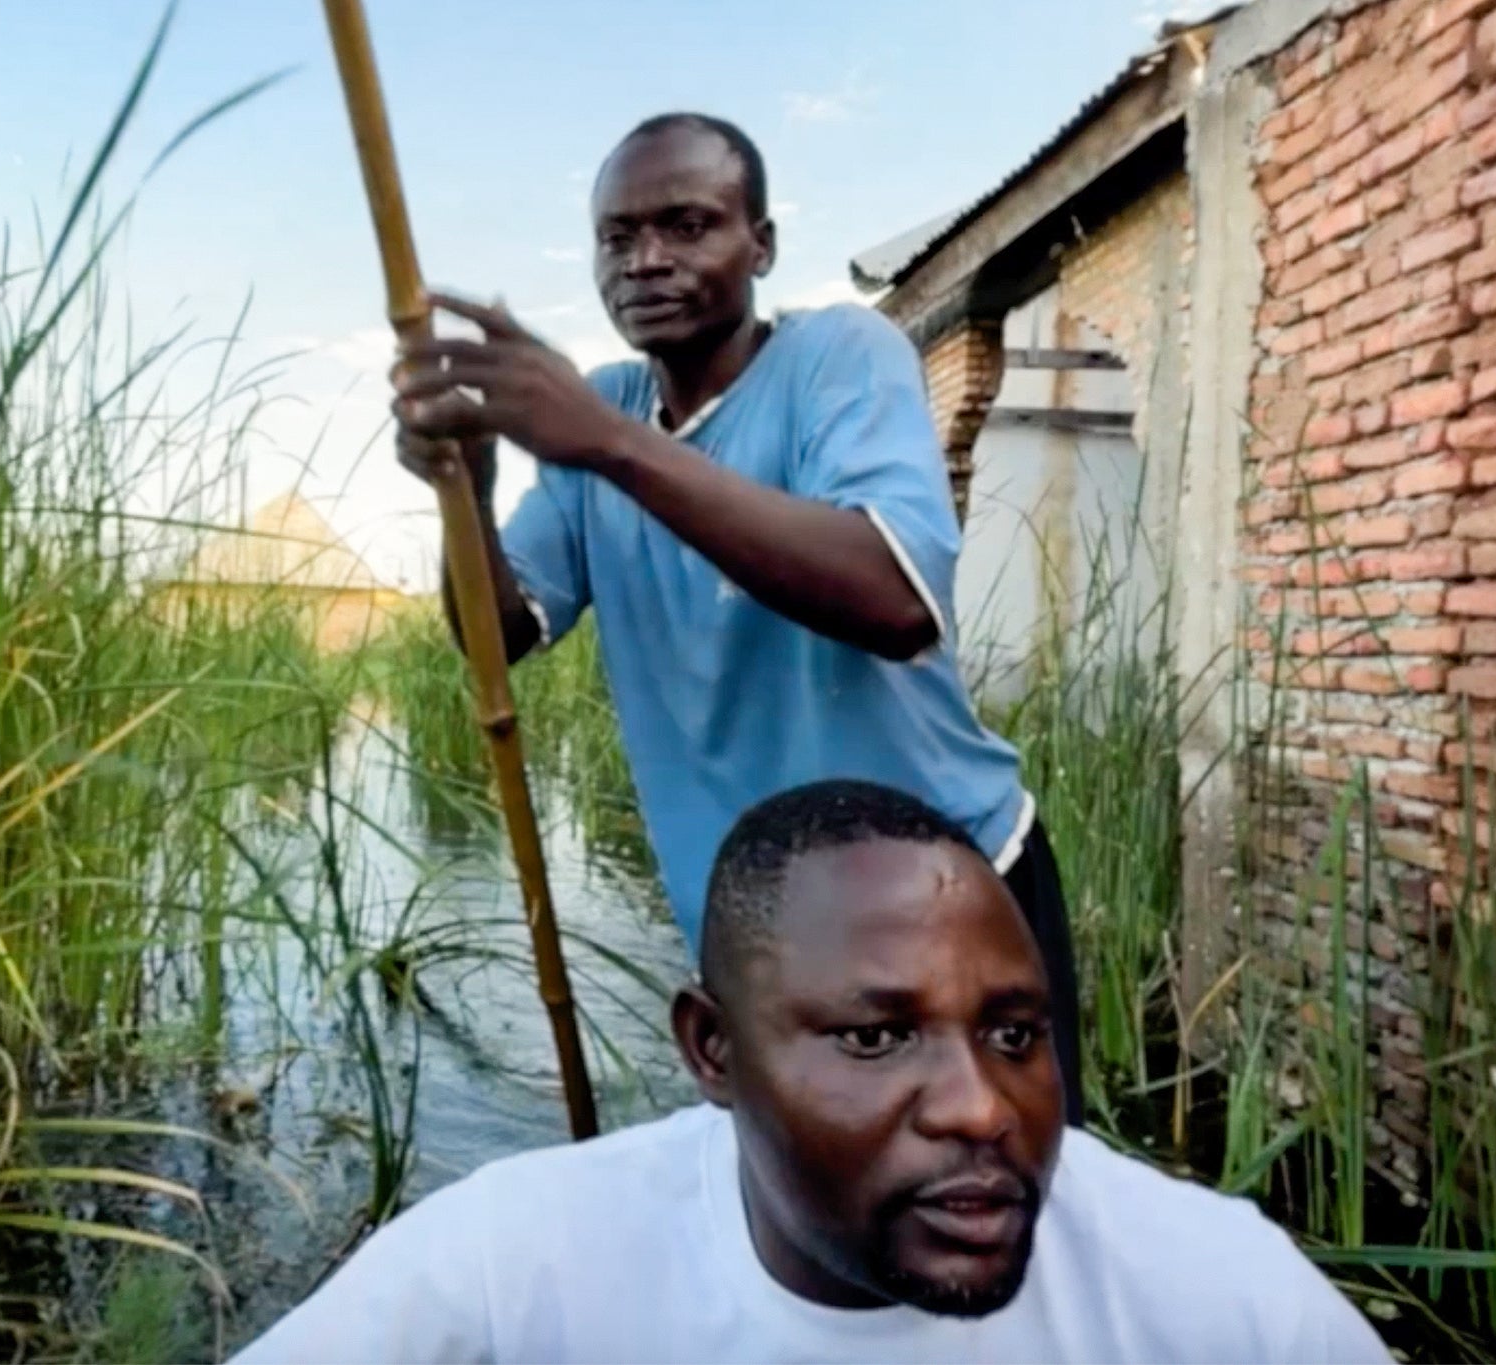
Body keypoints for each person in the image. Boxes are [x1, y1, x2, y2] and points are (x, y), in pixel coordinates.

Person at [390, 111, 1085, 1125]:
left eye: (687, 226)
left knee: (1012, 1201)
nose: (646, 261)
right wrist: (471, 495)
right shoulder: (609, 410)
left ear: (759, 245)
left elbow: (890, 603)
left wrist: (607, 446)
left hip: (948, 896)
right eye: (617, 238)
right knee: (809, 1229)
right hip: (760, 928)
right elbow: (500, 636)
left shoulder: (839, 357)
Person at [228, 779, 1392, 1364]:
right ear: (712, 1051)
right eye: (875, 1038)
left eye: (1013, 1034)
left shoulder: (1216, 1298)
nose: (982, 1110)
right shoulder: (511, 1274)